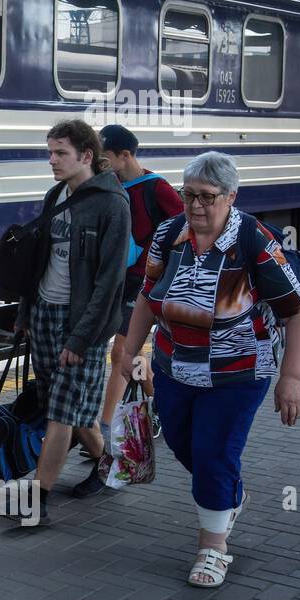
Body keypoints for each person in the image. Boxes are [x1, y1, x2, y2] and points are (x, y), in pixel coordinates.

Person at [118, 151, 300, 587]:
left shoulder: (255, 243)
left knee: (213, 454)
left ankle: (213, 547)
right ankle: (228, 494)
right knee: (186, 446)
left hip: (238, 372)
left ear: (231, 196)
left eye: (207, 197)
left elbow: (298, 312)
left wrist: (292, 379)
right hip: (174, 366)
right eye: (189, 195)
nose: (196, 206)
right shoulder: (169, 234)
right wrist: (131, 352)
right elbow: (148, 299)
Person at [10, 119, 131, 522]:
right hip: (45, 313)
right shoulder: (55, 195)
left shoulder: (112, 205)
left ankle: (38, 500)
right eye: (49, 152)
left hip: (83, 324)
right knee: (68, 406)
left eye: (60, 153)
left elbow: (110, 280)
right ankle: (106, 462)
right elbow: (37, 262)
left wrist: (81, 339)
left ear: (86, 156)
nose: (52, 160)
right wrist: (26, 312)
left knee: (61, 411)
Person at [94, 124, 184, 452]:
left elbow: (186, 228)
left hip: (145, 282)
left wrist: (160, 261)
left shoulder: (157, 188)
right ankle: (157, 398)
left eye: (104, 157)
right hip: (115, 278)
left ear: (125, 155)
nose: (98, 163)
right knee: (130, 353)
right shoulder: (108, 185)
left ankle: (105, 431)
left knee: (121, 353)